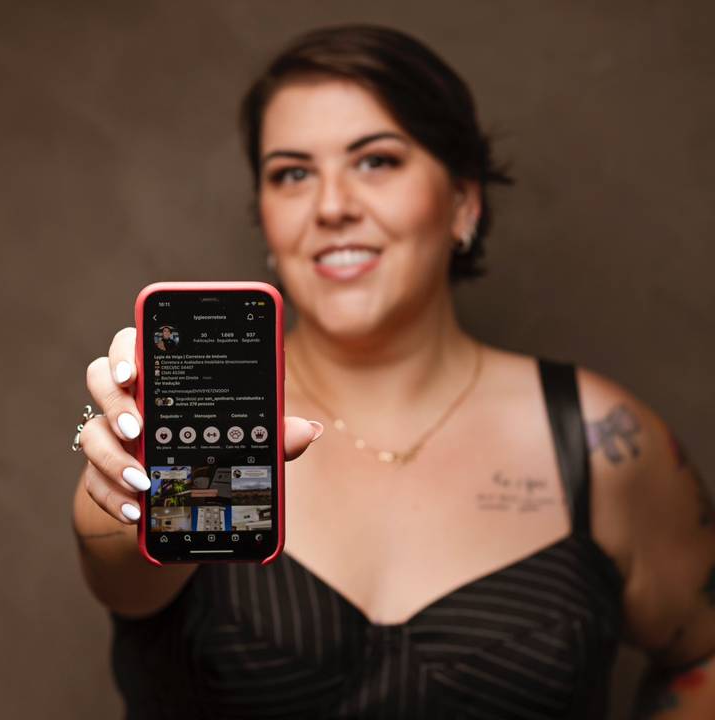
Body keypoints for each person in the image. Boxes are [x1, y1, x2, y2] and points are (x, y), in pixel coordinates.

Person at [72, 24, 715, 719]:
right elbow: (124, 578)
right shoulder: (193, 427)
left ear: (464, 202)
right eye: (292, 174)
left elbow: (703, 650)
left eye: (376, 161)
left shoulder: (601, 441)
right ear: (265, 218)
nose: (331, 206)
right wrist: (132, 484)